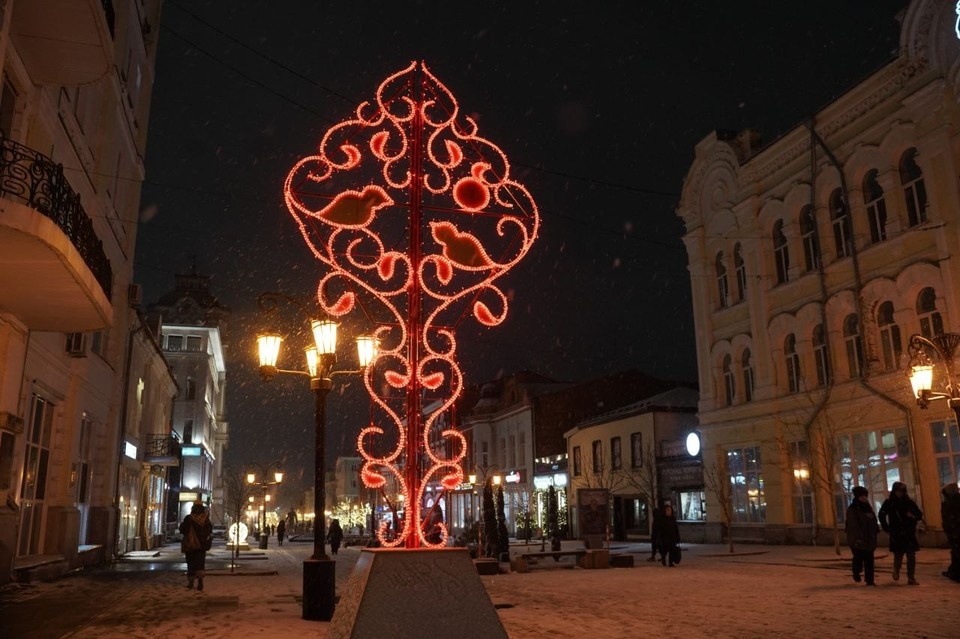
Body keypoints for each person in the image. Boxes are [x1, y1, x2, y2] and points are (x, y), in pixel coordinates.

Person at [878, 481, 923, 585]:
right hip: (897, 533)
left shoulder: (909, 502)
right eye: (898, 491)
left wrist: (912, 516)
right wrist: (886, 528)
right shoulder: (890, 503)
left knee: (911, 556)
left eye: (902, 491)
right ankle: (896, 570)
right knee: (898, 555)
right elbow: (881, 514)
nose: (900, 493)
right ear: (894, 491)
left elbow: (919, 514)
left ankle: (911, 577)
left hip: (909, 533)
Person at [845, 486, 879, 586]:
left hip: (869, 538)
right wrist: (859, 537)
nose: (864, 498)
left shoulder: (868, 507)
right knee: (858, 558)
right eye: (862, 496)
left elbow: (873, 519)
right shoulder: (853, 509)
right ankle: (856, 572)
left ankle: (870, 580)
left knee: (869, 560)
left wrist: (875, 529)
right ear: (857, 497)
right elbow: (853, 525)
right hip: (857, 539)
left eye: (865, 496)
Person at [180, 501, 213, 591]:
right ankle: (200, 582)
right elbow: (209, 531)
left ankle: (191, 582)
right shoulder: (205, 520)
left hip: (190, 545)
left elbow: (182, 529)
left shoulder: (189, 518)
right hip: (201, 546)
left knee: (191, 563)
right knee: (200, 564)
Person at [941, 483, 960, 582]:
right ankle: (954, 571)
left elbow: (952, 518)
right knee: (955, 552)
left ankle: (955, 573)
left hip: (956, 532)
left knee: (957, 552)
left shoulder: (954, 503)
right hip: (953, 532)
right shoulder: (947, 503)